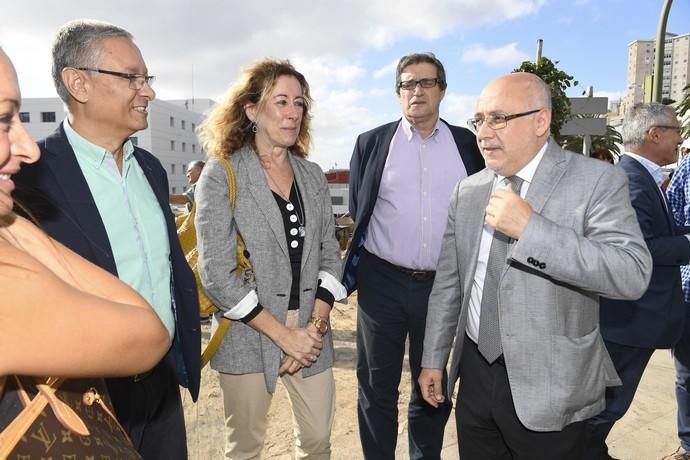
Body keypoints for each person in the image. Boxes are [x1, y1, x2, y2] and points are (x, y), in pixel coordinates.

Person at [418, 72, 652, 460]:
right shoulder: (470, 189)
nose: (483, 132)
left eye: (498, 118)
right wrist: (432, 359)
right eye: (479, 120)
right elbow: (450, 284)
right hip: (474, 378)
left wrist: (532, 230)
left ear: (540, 121)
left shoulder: (596, 181)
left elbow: (631, 273)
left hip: (552, 389)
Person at [11, 20, 200, 459]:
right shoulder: (28, 181)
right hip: (84, 396)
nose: (147, 91)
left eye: (147, 79)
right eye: (132, 78)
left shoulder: (151, 169)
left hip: (161, 386)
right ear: (78, 83)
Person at [194, 59, 346, 459]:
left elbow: (331, 252)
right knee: (245, 448)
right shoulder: (221, 173)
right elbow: (217, 274)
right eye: (281, 101)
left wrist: (313, 326)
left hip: (311, 332)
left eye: (299, 103)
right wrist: (284, 336)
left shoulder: (311, 174)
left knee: (316, 441)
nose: (293, 112)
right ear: (251, 110)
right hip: (249, 330)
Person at [341, 52, 484, 460]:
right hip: (381, 282)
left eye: (426, 82)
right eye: (407, 84)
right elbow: (359, 207)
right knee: (376, 387)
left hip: (444, 287)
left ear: (442, 89)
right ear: (398, 92)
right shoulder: (371, 143)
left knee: (433, 386)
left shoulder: (467, 146)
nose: (416, 91)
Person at [584, 103, 689, 460]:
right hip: (630, 321)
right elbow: (641, 247)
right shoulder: (629, 179)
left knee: (608, 406)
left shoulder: (642, 176)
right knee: (607, 406)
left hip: (634, 320)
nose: (680, 139)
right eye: (675, 131)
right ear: (654, 134)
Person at [659, 122, 690, 460]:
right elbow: (670, 219)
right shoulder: (687, 169)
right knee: (687, 376)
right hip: (689, 292)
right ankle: (689, 446)